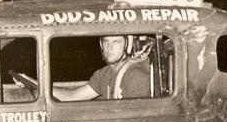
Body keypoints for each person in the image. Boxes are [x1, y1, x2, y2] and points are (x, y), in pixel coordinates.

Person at [14, 35, 151, 101]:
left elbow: (136, 121)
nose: (109, 47)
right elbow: (71, 96)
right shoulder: (104, 73)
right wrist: (33, 82)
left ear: (128, 44)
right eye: (106, 42)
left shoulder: (136, 75)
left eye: (116, 42)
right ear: (100, 45)